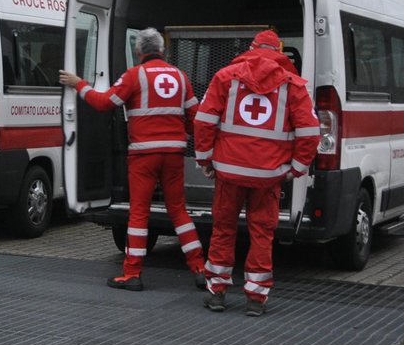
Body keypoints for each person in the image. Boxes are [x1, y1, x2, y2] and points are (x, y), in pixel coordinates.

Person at [59, 28, 205, 291]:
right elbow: (196, 119)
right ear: (163, 50)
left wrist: (78, 83)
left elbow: (104, 103)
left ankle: (132, 274)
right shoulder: (181, 77)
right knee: (179, 212)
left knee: (139, 213)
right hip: (173, 154)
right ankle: (199, 269)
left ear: (139, 52)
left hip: (143, 155)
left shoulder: (134, 75)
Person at [193, 29, 320, 316]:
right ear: (279, 51)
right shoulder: (293, 85)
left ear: (251, 47)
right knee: (262, 233)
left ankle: (217, 292)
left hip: (228, 170)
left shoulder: (225, 77)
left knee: (223, 229)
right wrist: (297, 168)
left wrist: (205, 160)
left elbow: (203, 122)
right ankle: (256, 298)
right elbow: (310, 133)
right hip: (269, 175)